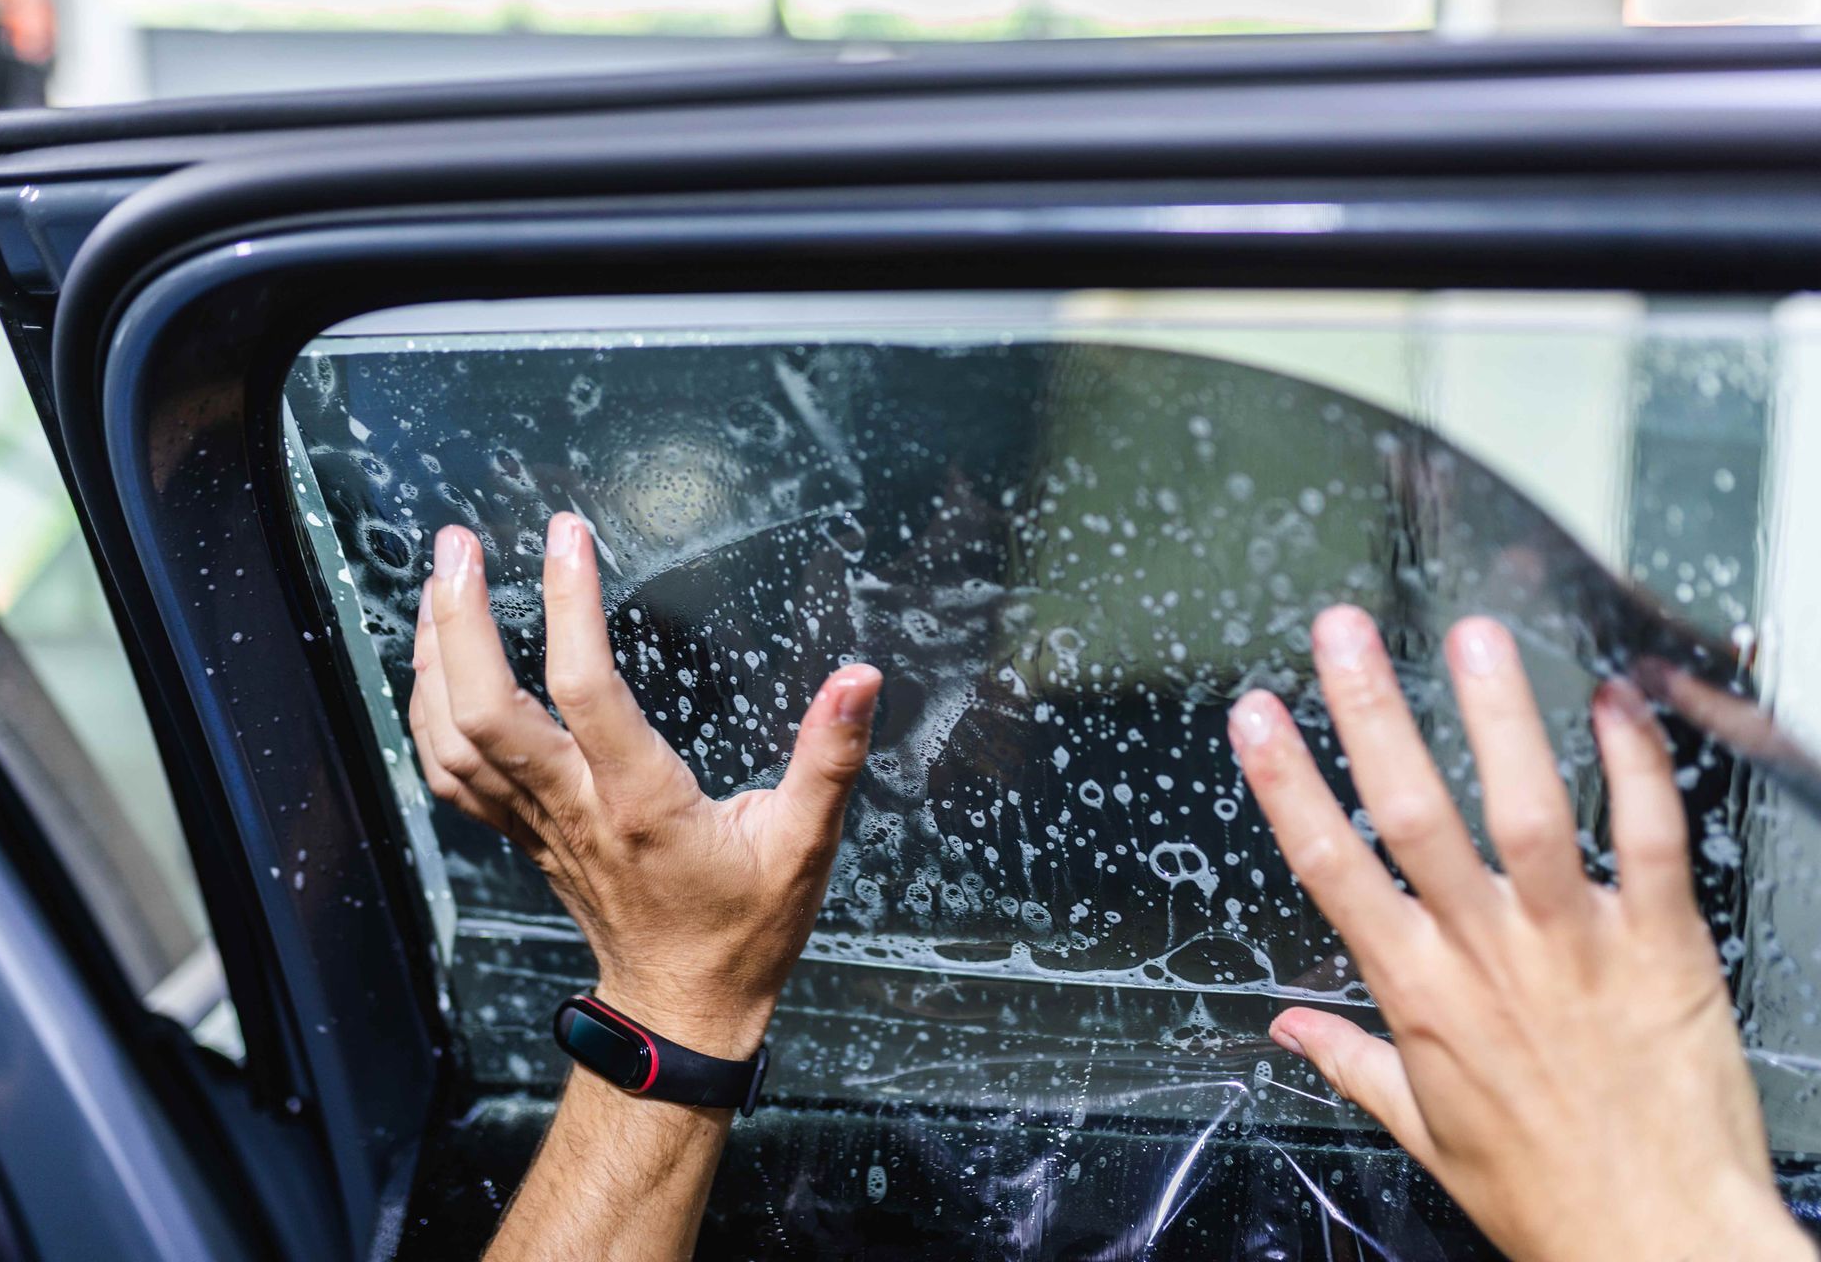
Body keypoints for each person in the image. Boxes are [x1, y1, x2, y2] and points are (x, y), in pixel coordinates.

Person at [411, 515, 1814, 1262]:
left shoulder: (1170, 892)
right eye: (889, 604)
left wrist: (676, 986)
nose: (965, 670)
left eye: (979, 597)